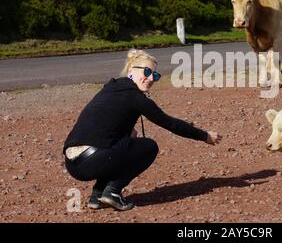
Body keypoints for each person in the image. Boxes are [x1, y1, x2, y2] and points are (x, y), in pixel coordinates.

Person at [63, 49, 222, 211]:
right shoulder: (136, 97)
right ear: (131, 70)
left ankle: (97, 195)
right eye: (147, 72)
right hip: (92, 161)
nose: (151, 78)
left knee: (128, 137)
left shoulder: (111, 88)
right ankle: (113, 192)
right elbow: (169, 123)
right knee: (149, 147)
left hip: (72, 164)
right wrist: (204, 135)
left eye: (156, 75)